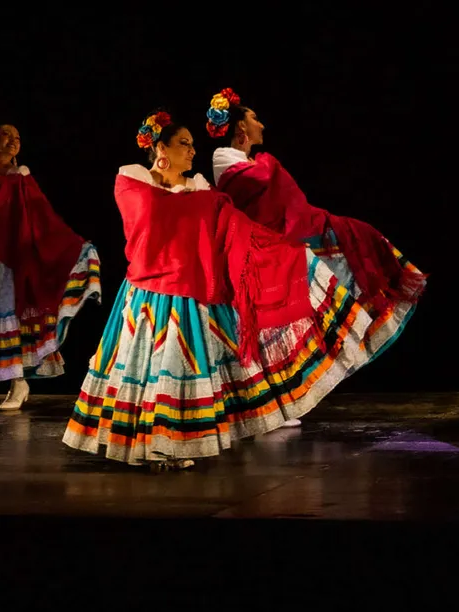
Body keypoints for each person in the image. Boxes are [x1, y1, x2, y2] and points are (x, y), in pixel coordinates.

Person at [63, 110, 376, 470]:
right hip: (149, 295)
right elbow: (151, 221)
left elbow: (237, 228)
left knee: (180, 371)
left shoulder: (199, 188)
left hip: (193, 294)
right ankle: (149, 444)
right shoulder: (133, 182)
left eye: (193, 144)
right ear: (159, 146)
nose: (192, 151)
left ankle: (172, 445)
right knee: (149, 372)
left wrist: (286, 252)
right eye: (183, 144)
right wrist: (187, 198)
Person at [208, 88, 426, 414]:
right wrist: (268, 163)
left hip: (284, 244)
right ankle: (275, 404)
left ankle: (366, 309)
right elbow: (259, 185)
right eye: (255, 119)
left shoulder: (254, 160)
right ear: (240, 127)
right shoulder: (224, 157)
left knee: (357, 242)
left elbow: (284, 196)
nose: (262, 125)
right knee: (277, 331)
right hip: (258, 253)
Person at [0, 120, 102, 414]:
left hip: (11, 260)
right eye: (6, 134)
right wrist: (8, 183)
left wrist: (77, 247)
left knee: (12, 320)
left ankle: (18, 382)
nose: (14, 141)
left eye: (18, 136)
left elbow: (44, 218)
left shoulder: (22, 178)